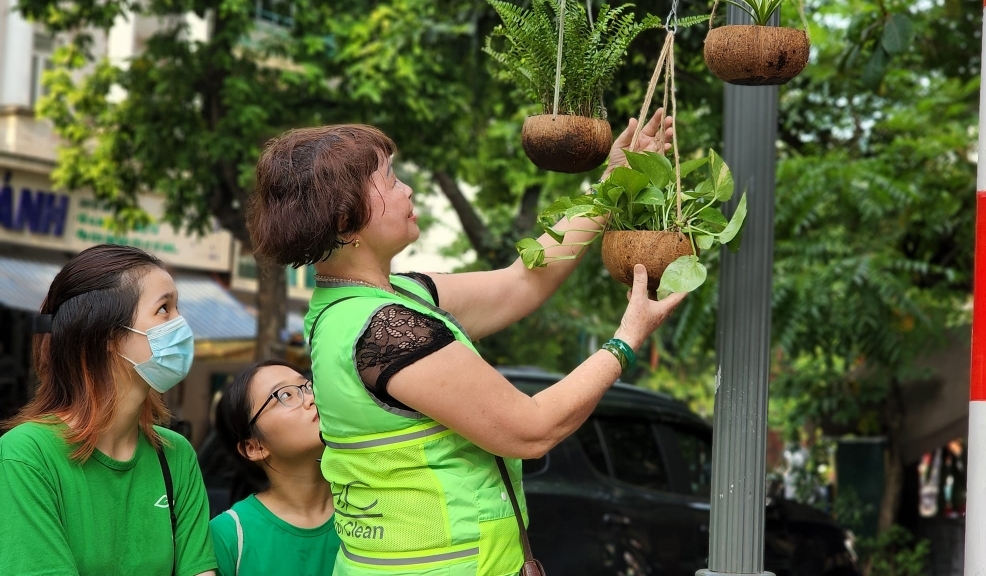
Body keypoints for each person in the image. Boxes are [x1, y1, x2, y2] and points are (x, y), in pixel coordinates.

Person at [245, 110, 685, 576]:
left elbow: (522, 283)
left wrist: (609, 188)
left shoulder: (386, 299)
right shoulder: (382, 328)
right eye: (390, 181)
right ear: (345, 219)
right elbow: (530, 429)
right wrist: (625, 341)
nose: (407, 190)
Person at [0, 244, 217, 576]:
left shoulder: (176, 456)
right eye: (164, 309)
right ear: (108, 335)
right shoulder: (26, 456)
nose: (181, 324)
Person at [209, 360, 340, 576]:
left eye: (308, 386)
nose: (311, 398)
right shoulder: (229, 535)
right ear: (254, 447)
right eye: (285, 395)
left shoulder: (363, 504)